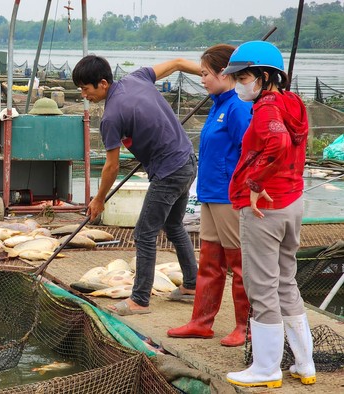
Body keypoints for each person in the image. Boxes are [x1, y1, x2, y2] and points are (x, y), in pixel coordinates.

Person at [72, 55, 200, 316]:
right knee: (173, 224)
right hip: (188, 161)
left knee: (143, 233)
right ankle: (191, 285)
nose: (85, 95)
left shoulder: (110, 117)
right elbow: (176, 63)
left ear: (103, 83)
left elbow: (111, 166)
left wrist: (99, 199)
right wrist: (213, 76)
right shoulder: (137, 77)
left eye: (86, 89)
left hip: (169, 171)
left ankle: (139, 300)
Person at [222, 41, 315, 388]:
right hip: (293, 202)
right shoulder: (294, 103)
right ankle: (305, 364)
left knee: (262, 287)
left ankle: (266, 368)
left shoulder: (266, 109)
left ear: (263, 76)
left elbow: (276, 143)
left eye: (243, 76)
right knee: (287, 283)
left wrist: (255, 182)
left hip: (266, 209)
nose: (238, 83)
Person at [167, 44, 253, 347]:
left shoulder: (237, 107)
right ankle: (201, 322)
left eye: (205, 73)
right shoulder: (217, 105)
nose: (201, 79)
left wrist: (244, 191)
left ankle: (245, 326)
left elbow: (249, 151)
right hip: (209, 194)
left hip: (229, 197)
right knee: (210, 262)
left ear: (223, 73)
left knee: (239, 263)